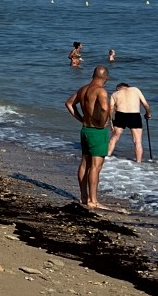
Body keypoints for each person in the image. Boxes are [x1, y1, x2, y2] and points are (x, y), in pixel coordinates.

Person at [65, 66, 111, 209]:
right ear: (106, 78)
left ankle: (84, 197)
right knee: (96, 167)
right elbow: (104, 108)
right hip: (97, 131)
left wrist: (80, 118)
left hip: (85, 129)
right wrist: (103, 122)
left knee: (85, 163)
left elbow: (69, 103)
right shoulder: (101, 91)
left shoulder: (83, 89)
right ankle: (93, 200)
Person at [107, 83, 152, 162]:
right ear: (127, 87)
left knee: (114, 138)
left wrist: (111, 120)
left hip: (120, 114)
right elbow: (146, 104)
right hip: (134, 115)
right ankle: (138, 163)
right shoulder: (135, 89)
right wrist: (148, 114)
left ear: (118, 88)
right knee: (137, 141)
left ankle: (106, 157)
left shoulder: (115, 94)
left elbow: (111, 108)